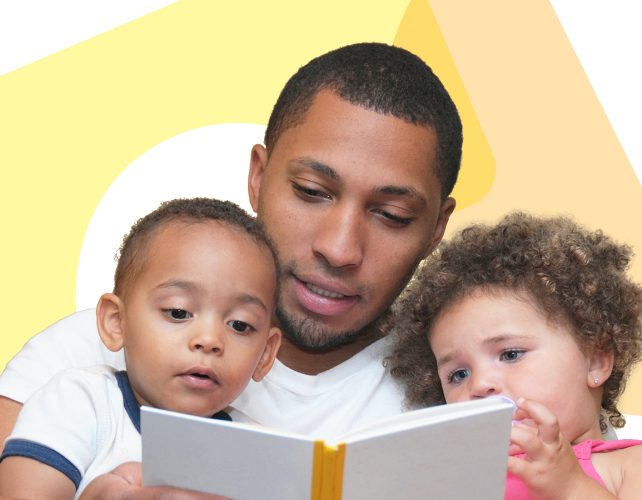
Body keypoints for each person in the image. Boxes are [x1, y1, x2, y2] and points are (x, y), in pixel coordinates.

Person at [0, 42, 462, 496]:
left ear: (437, 226)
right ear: (258, 177)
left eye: (392, 215)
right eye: (310, 191)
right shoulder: (81, 357)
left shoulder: (462, 389)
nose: (340, 249)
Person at [0, 198, 282, 498]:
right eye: (178, 312)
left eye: (240, 325)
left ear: (265, 354)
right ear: (116, 322)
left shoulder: (258, 452)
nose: (210, 340)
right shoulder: (80, 403)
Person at [389, 212, 642, 499]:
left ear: (595, 360)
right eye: (458, 374)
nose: (481, 384)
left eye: (510, 354)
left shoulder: (637, 464)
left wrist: (571, 487)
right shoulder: (462, 482)